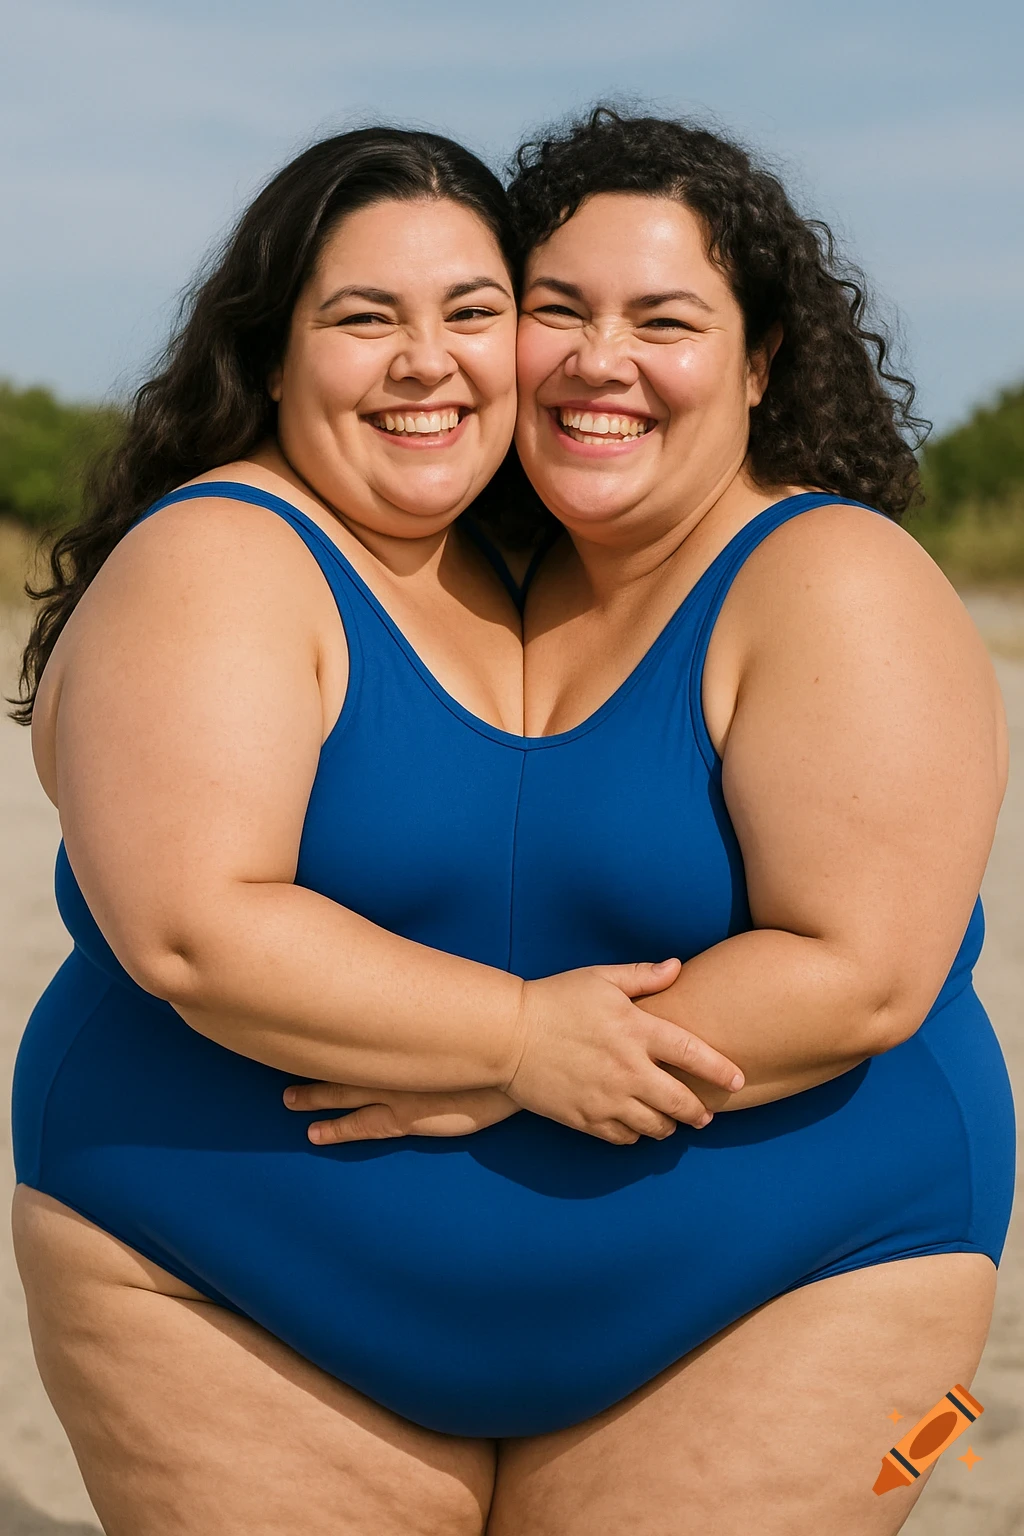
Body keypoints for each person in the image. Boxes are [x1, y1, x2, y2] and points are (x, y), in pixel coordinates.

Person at [290, 110, 1016, 1535]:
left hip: (819, 1279)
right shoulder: (492, 574)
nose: (598, 360)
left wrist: (497, 1059)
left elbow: (863, 970)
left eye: (665, 321)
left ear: (760, 362)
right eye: (555, 310)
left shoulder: (830, 576)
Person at [9, 125, 742, 1536]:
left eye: (473, 312)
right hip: (224, 1280)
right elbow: (192, 929)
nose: (429, 359)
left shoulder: (485, 565)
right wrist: (521, 1043)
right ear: (271, 354)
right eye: (365, 318)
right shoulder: (222, 553)